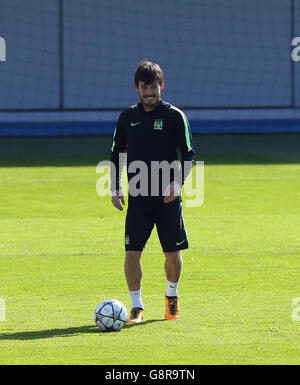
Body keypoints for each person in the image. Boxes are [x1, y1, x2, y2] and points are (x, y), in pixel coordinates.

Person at [110, 60, 194, 323]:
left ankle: (172, 298)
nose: (149, 93)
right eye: (145, 88)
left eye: (154, 87)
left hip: (168, 199)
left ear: (162, 86)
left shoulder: (175, 117)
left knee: (172, 253)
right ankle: (136, 306)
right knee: (132, 253)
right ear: (136, 88)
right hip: (138, 199)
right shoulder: (127, 118)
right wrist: (115, 186)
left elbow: (189, 156)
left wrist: (177, 182)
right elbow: (116, 153)